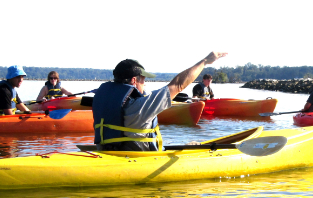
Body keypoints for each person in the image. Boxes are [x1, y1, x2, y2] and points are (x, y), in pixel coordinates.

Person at [93, 51, 227, 152]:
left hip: (108, 153)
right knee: (196, 146)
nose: (144, 85)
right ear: (134, 80)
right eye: (143, 80)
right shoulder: (140, 107)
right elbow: (179, 84)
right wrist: (205, 61)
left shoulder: (101, 99)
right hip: (138, 160)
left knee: (192, 145)